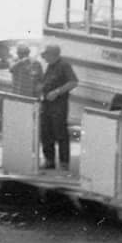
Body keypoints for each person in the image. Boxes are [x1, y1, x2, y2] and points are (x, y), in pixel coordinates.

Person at [39, 43, 78, 171]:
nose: (44, 58)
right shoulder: (50, 66)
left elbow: (73, 82)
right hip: (46, 104)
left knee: (60, 133)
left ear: (53, 55)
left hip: (59, 106)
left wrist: (57, 92)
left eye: (46, 55)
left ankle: (64, 163)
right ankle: (49, 160)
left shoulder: (64, 65)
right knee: (46, 132)